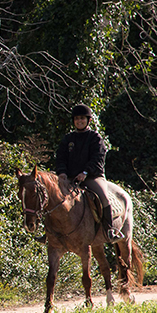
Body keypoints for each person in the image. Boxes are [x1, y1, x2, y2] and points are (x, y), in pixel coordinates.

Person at [55, 103, 123, 241]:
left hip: (92, 177)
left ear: (88, 120)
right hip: (70, 178)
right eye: (77, 119)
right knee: (52, 196)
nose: (79, 121)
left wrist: (85, 172)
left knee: (103, 197)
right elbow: (60, 157)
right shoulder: (68, 139)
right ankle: (50, 232)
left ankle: (109, 230)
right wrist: (62, 172)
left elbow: (97, 158)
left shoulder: (95, 138)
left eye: (82, 118)